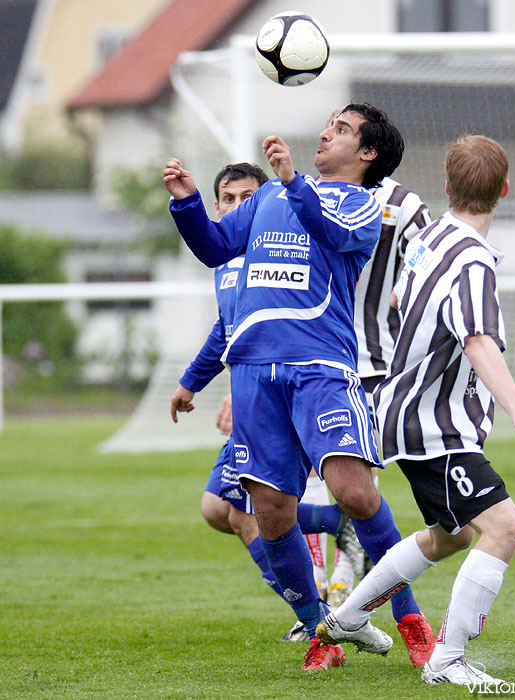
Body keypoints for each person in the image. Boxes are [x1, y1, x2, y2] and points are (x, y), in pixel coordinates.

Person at [163, 103, 427, 671]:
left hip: (320, 367)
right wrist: (186, 202)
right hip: (254, 373)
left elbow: (331, 232)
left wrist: (290, 180)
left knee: (355, 493)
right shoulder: (264, 198)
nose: (326, 132)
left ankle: (411, 622)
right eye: (328, 123)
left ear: (367, 153)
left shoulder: (363, 205)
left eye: (342, 129)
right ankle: (319, 632)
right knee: (272, 511)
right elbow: (214, 248)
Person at [316, 134, 515, 685]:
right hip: (434, 427)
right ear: (505, 190)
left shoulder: (430, 236)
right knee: (505, 528)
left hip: (402, 409)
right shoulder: (472, 261)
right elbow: (476, 341)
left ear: (447, 188)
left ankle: (350, 615)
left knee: (452, 535)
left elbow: (400, 298)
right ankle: (447, 662)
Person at [170, 162, 362, 613]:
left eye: (247, 199)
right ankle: (337, 525)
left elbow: (270, 334)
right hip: (253, 389)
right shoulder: (226, 264)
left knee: (246, 513)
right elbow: (229, 329)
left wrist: (240, 392)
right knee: (218, 510)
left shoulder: (276, 255)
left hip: (278, 393)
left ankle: (311, 613)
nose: (239, 206)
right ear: (218, 208)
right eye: (229, 200)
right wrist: (190, 382)